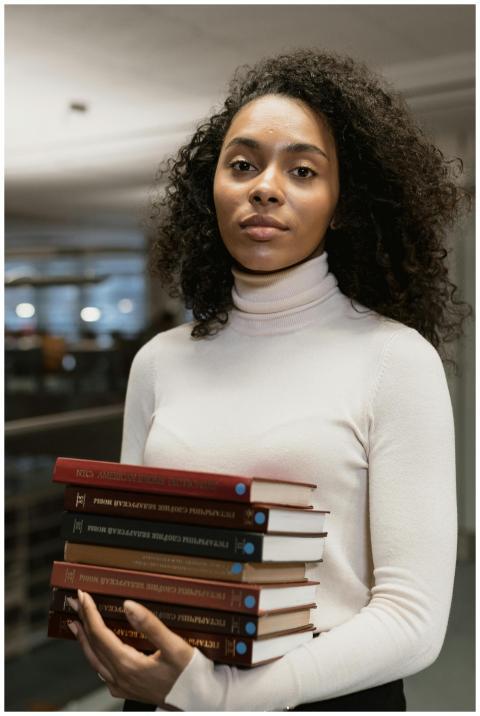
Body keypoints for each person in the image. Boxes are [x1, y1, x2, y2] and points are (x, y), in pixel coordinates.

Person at [66, 49, 471, 711]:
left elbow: (411, 621)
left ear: (341, 203)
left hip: (326, 698)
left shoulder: (395, 360)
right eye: (244, 164)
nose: (265, 187)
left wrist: (216, 694)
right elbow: (130, 564)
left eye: (303, 169)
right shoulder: (160, 361)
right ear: (214, 189)